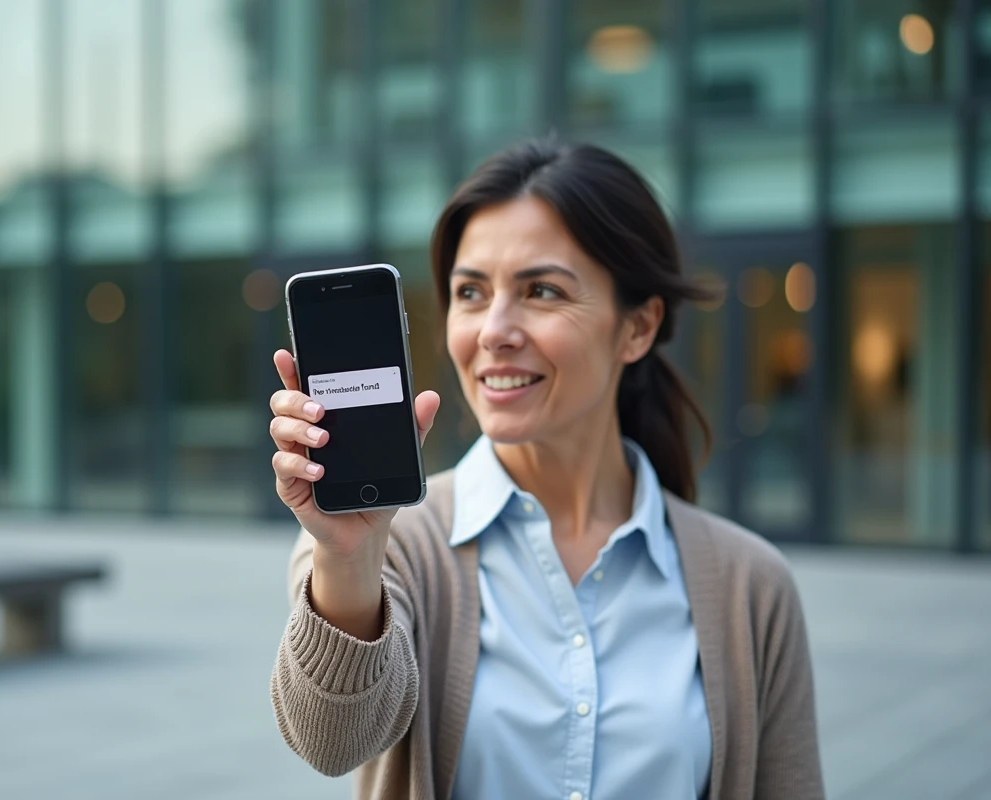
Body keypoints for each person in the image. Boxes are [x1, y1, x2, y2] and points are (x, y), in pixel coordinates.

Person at [268, 139, 824, 800]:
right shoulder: (390, 544)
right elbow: (333, 745)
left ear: (638, 328)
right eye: (470, 292)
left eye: (541, 290)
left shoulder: (749, 586)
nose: (494, 330)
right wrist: (351, 560)